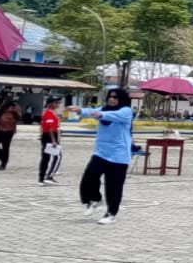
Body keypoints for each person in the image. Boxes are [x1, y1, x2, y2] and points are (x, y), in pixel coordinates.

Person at [74, 88, 135, 225]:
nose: (112, 99)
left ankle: (111, 213)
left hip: (118, 156)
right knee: (88, 178)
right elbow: (92, 112)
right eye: (110, 97)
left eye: (115, 97)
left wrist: (99, 114)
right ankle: (94, 199)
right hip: (101, 153)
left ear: (121, 99)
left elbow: (110, 115)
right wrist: (80, 110)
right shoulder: (103, 109)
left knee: (113, 187)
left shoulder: (126, 111)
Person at [0, 98, 22, 170]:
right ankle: (3, 160)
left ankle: (3, 164)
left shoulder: (15, 110)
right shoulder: (3, 110)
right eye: (11, 107)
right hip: (0, 130)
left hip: (9, 132)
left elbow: (18, 118)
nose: (11, 108)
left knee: (5, 147)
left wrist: (15, 128)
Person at [38, 96, 64, 184]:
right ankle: (48, 176)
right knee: (57, 156)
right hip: (50, 136)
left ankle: (42, 177)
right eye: (56, 102)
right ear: (50, 104)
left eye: (58, 102)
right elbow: (49, 128)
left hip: (49, 135)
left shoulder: (52, 112)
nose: (58, 104)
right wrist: (53, 140)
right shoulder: (48, 112)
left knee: (46, 157)